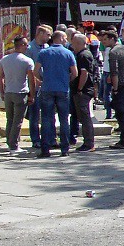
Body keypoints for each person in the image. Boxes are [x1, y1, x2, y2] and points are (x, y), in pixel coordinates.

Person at [35, 30, 78, 158]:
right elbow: (75, 73)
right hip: (63, 89)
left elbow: (35, 70)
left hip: (47, 88)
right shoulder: (68, 53)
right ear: (60, 38)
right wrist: (67, 80)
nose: (66, 40)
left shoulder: (43, 52)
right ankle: (64, 148)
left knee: (47, 119)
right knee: (64, 119)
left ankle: (45, 149)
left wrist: (42, 80)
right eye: (65, 38)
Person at [0, 36, 37, 153]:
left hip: (9, 92)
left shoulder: (4, 59)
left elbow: (0, 77)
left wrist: (2, 92)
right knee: (18, 121)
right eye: (26, 44)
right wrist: (32, 95)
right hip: (21, 93)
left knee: (9, 119)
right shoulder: (27, 61)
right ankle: (14, 145)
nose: (27, 47)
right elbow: (31, 80)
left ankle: (10, 142)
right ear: (22, 45)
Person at [69, 34, 96, 152]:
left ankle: (89, 143)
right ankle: (88, 141)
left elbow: (84, 74)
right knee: (82, 116)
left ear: (79, 43)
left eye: (73, 43)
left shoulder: (83, 55)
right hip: (84, 90)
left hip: (83, 91)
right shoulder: (84, 54)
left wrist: (79, 89)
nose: (72, 45)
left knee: (85, 117)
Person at [26, 25, 52, 148]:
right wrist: (36, 81)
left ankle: (47, 138)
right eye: (47, 34)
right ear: (40, 34)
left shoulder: (47, 47)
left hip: (47, 86)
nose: (49, 37)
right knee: (34, 114)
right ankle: (35, 139)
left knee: (47, 113)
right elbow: (28, 70)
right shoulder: (30, 48)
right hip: (35, 86)